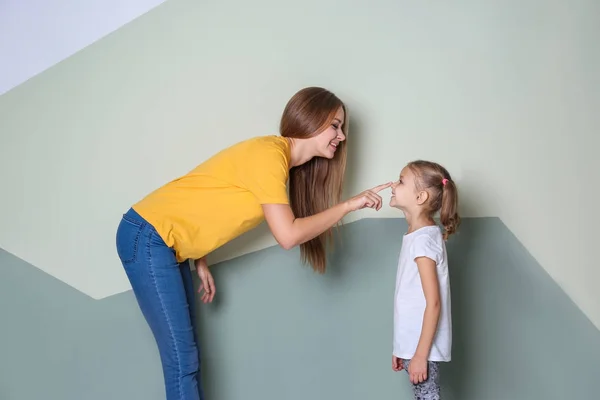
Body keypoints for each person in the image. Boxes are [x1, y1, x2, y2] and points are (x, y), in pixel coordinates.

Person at [115, 86, 392, 400]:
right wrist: (347, 206)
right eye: (335, 126)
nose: (341, 137)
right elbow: (287, 236)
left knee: (186, 358)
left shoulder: (278, 163)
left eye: (342, 128)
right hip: (147, 236)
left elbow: (209, 194)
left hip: (165, 243)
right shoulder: (269, 155)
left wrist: (200, 255)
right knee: (182, 360)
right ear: (311, 119)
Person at [389, 160, 460, 400]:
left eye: (400, 181)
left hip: (424, 349)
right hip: (415, 346)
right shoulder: (418, 236)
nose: (392, 184)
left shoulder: (422, 241)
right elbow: (410, 298)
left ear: (420, 197)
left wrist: (420, 354)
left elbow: (434, 303)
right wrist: (402, 347)